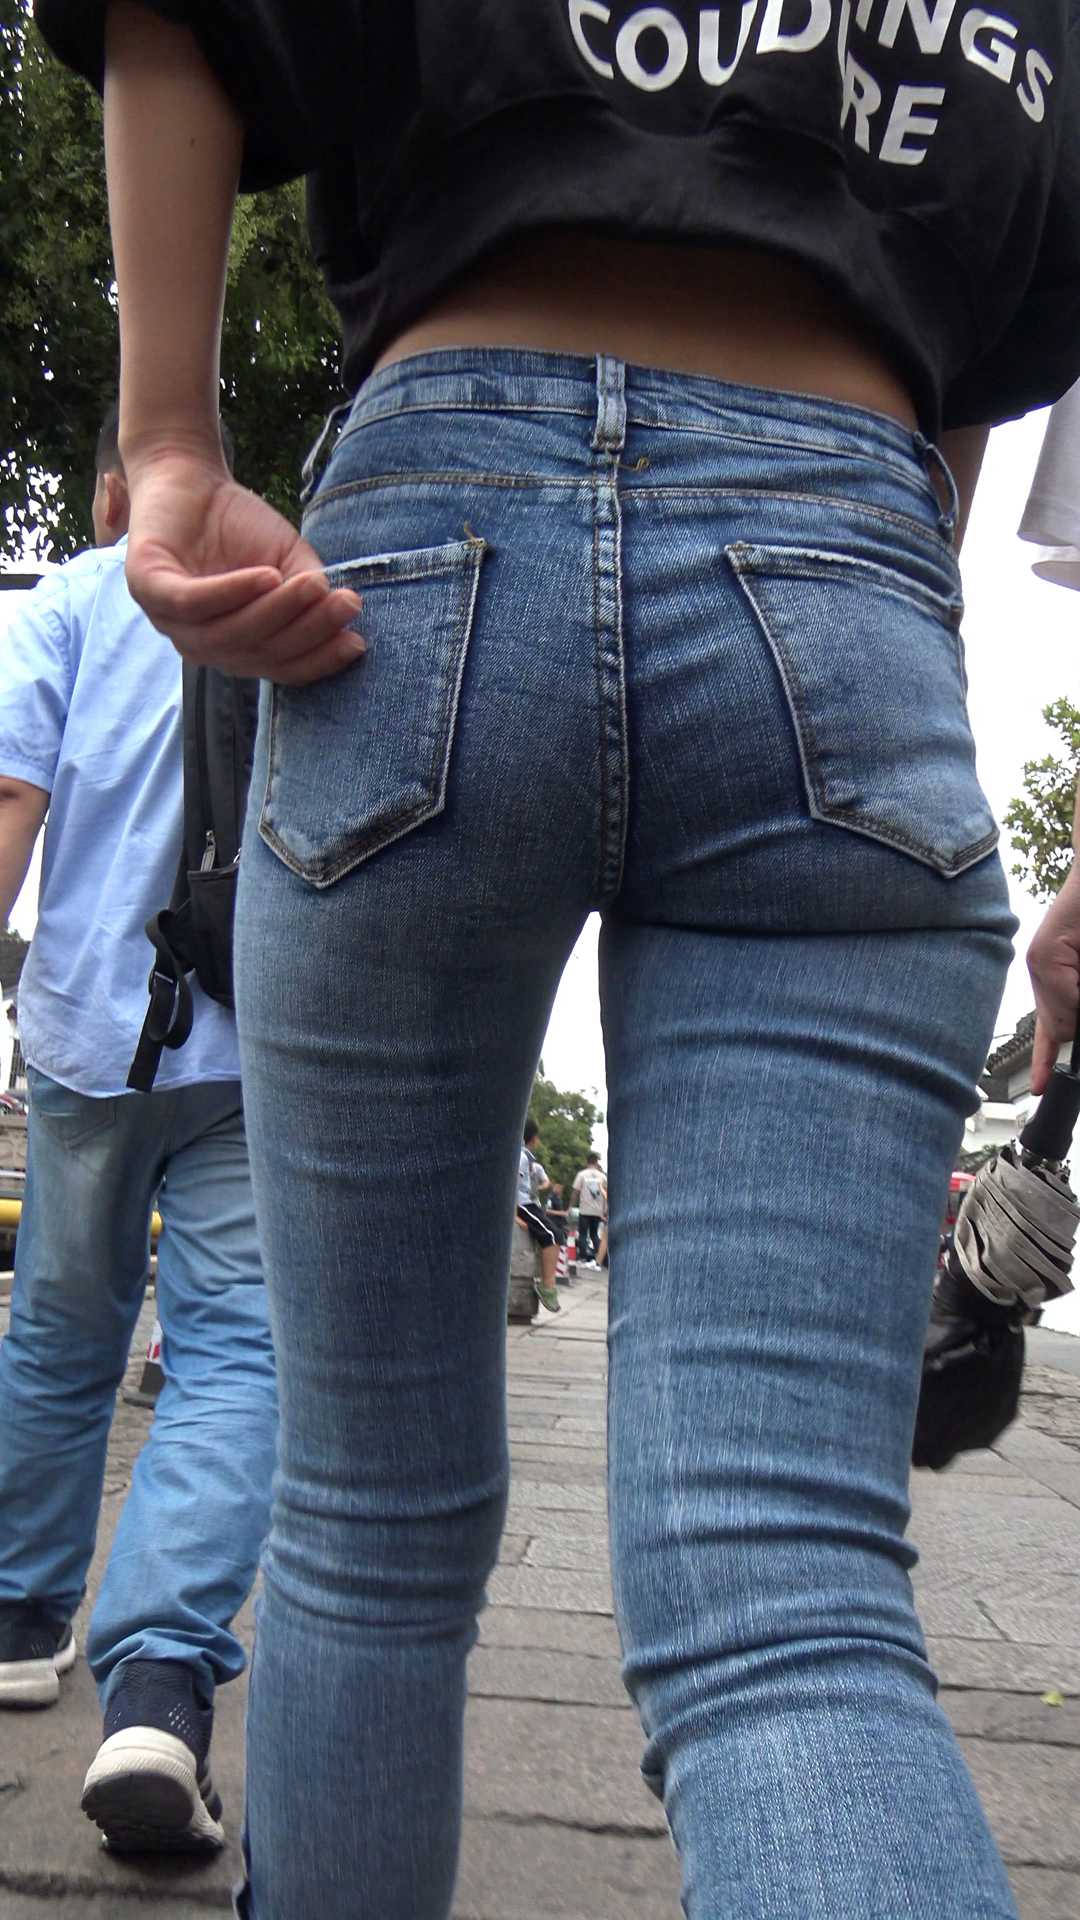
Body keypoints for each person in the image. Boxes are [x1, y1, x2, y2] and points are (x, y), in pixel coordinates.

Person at [35, 4, 1080, 1916]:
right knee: (791, 1591)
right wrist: (860, 582)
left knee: (366, 1523)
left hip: (426, 549)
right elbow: (1000, 306)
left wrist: (169, 430)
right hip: (847, 550)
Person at [0, 406, 276, 1856]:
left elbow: (12, 797)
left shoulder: (69, 596)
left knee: (61, 1329)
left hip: (87, 1035)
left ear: (115, 495)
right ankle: (159, 1685)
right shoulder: (279, 589)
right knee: (235, 1356)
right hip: (250, 1038)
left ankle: (17, 1616)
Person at [516, 1121, 562, 1313]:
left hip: (528, 1203)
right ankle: (547, 1286)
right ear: (534, 1138)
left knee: (556, 1234)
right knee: (551, 1236)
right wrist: (514, 1216)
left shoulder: (527, 1159)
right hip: (522, 1204)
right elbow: (509, 1186)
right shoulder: (520, 1157)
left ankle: (547, 1284)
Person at [571, 1151, 607, 1266]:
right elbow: (606, 1194)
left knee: (582, 1234)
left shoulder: (582, 1174)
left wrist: (571, 1206)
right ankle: (599, 1259)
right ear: (596, 1162)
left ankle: (582, 1258)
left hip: (585, 1209)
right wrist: (604, 1210)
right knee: (594, 1235)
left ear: (587, 1162)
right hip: (597, 1211)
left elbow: (575, 1191)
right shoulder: (603, 1176)